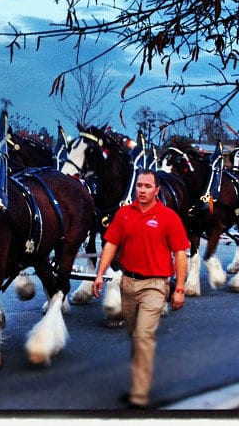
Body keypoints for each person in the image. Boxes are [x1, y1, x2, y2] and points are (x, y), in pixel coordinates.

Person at [92, 169, 189, 409]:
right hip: (128, 283)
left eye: (147, 186)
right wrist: (100, 274)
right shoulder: (124, 214)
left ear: (157, 190)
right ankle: (142, 374)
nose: (142, 190)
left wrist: (179, 288)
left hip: (156, 285)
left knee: (143, 336)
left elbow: (180, 254)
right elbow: (111, 244)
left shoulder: (169, 217)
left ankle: (139, 394)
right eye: (139, 186)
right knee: (135, 336)